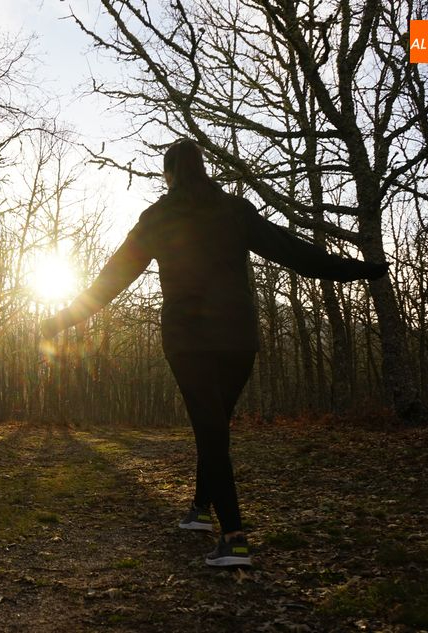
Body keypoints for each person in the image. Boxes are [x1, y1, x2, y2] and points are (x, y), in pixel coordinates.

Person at [39, 138, 387, 567]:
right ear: (203, 169)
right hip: (238, 338)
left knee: (211, 430)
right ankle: (201, 512)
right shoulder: (235, 211)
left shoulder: (158, 217)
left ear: (168, 175)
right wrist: (355, 269)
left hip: (189, 342)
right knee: (215, 425)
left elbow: (110, 281)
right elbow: (293, 252)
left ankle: (235, 537)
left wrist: (59, 321)